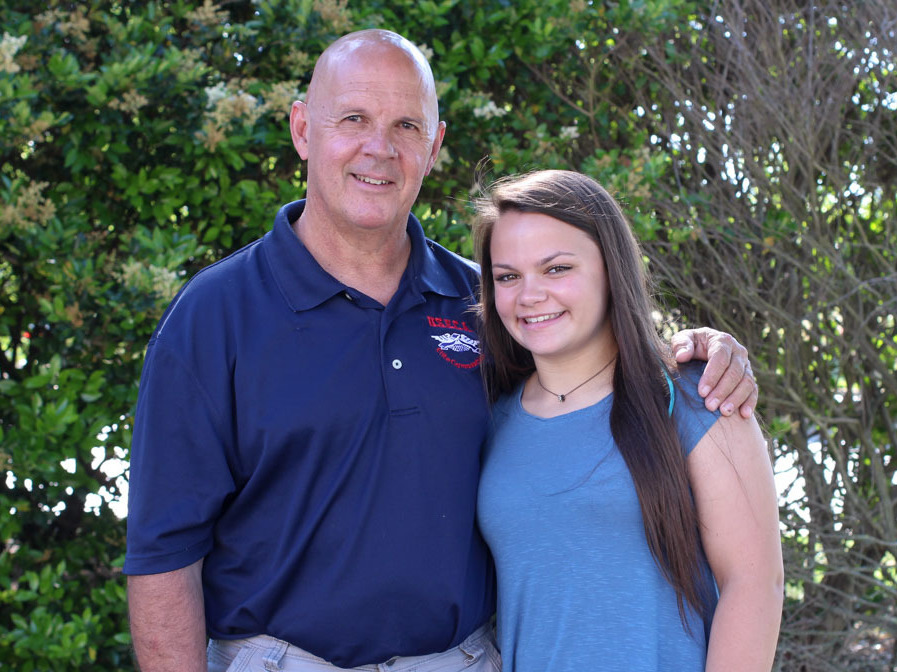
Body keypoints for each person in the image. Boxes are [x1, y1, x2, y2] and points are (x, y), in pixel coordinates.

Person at [123, 31, 758, 672]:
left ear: (434, 147)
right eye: (353, 119)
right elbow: (162, 555)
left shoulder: (488, 306)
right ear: (302, 130)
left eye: (406, 125)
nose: (380, 147)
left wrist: (700, 349)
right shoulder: (213, 317)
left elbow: (590, 373)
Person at [473, 170, 784, 672]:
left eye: (556, 269)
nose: (529, 295)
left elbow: (754, 585)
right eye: (508, 276)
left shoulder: (698, 396)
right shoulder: (490, 418)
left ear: (611, 268)